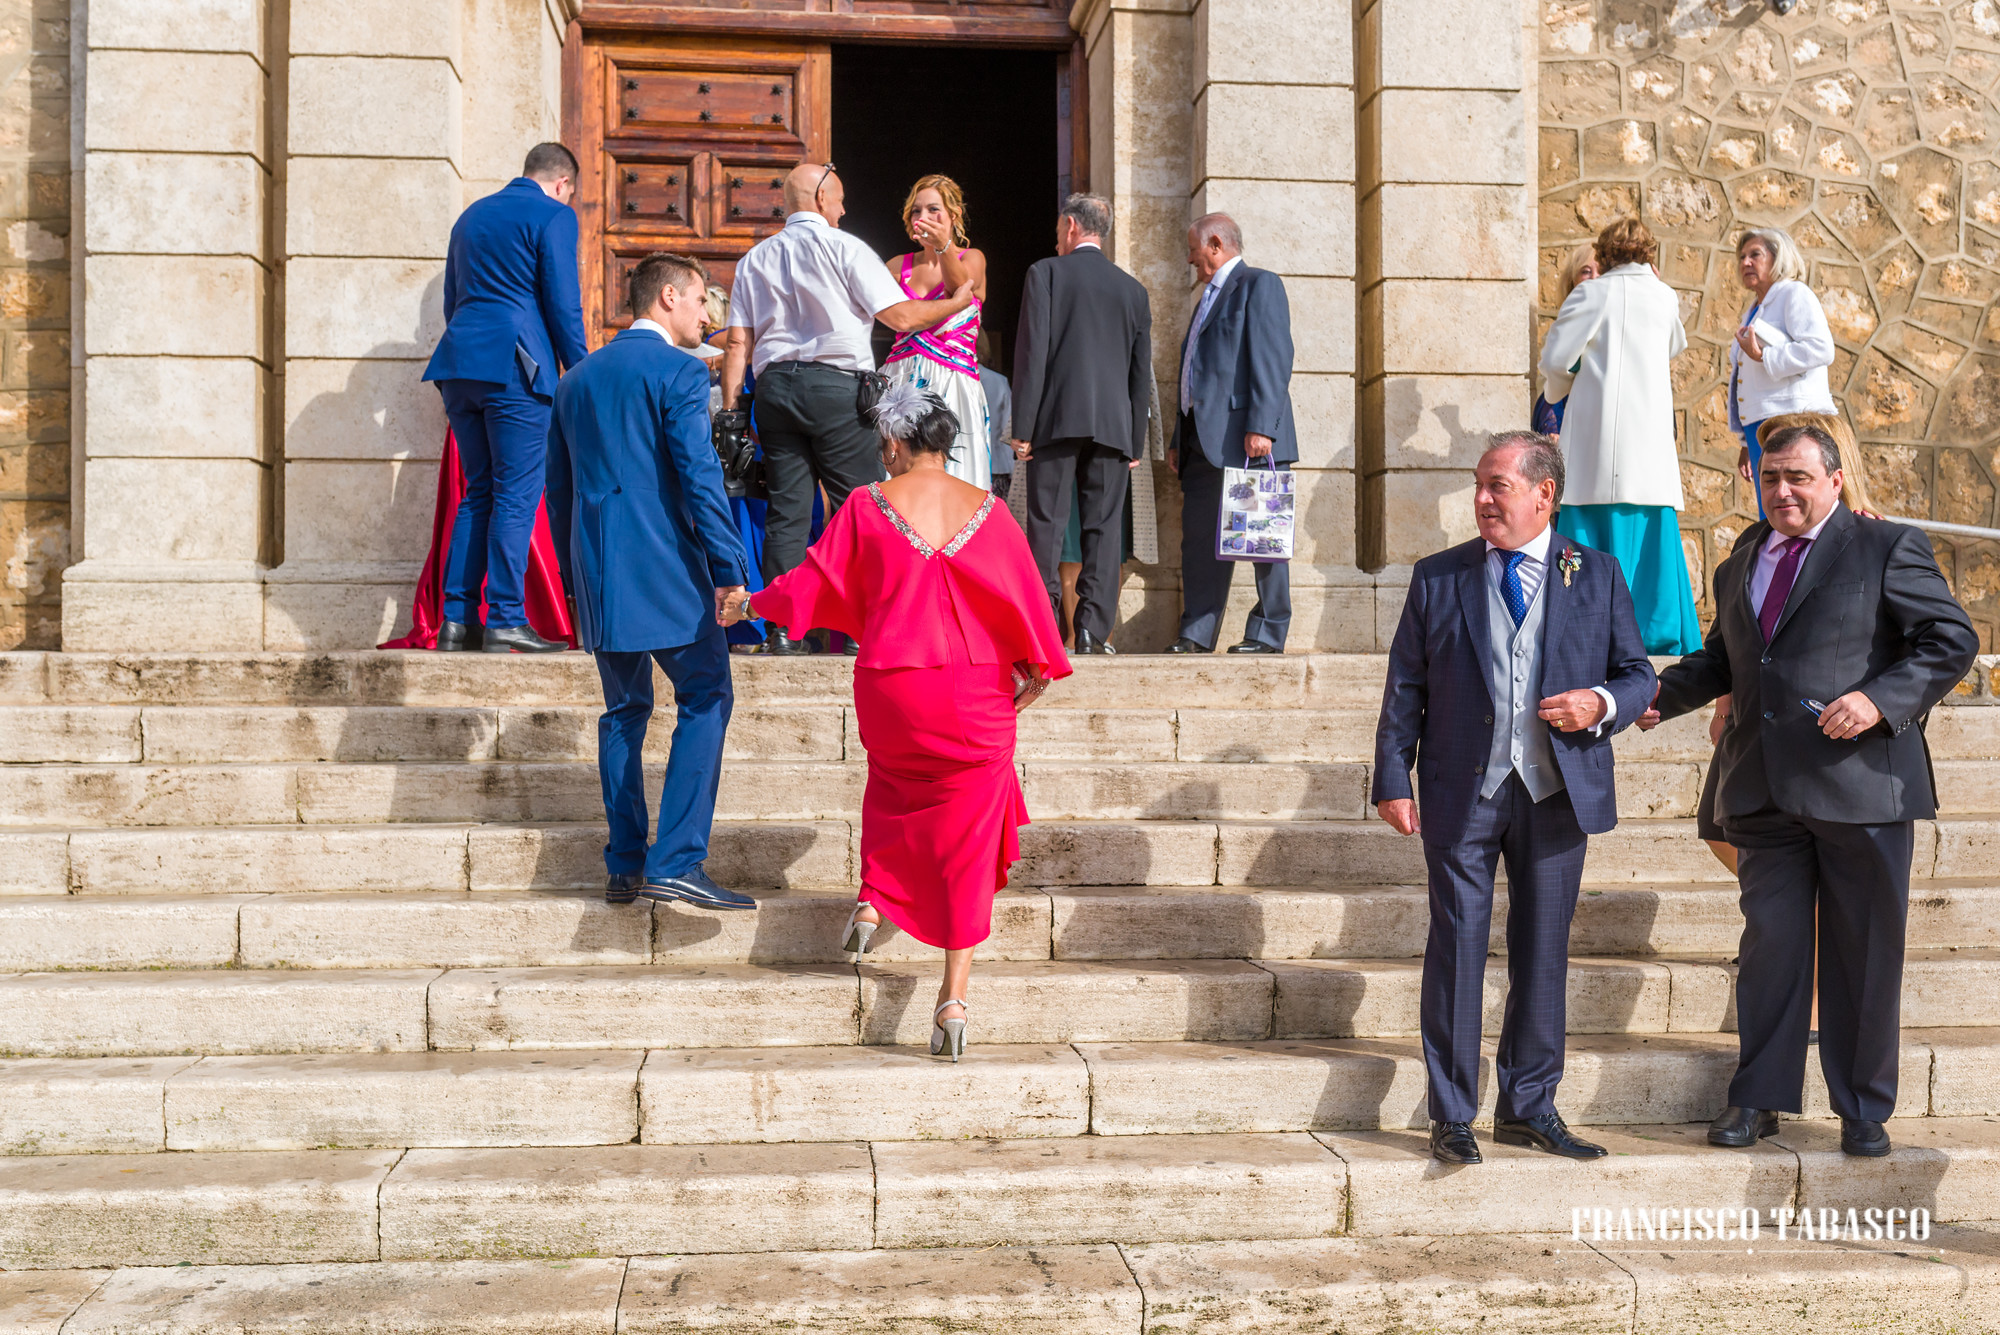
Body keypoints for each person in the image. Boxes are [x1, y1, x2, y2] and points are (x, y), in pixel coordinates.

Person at [1646, 421, 1975, 1158]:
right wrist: (1653, 698)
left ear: (1834, 479)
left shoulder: (1885, 545)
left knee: (1863, 952)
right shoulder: (1739, 562)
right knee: (1772, 945)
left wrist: (1880, 699)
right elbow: (1721, 660)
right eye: (1771, 478)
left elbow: (1950, 639)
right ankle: (1758, 1096)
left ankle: (1862, 1106)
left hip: (1862, 787)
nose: (1783, 490)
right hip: (1763, 786)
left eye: (1798, 476)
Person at [720, 380, 1070, 1059]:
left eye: (885, 446)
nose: (882, 457)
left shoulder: (867, 503)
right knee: (969, 839)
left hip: (892, 684)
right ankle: (953, 998)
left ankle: (873, 899)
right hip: (973, 694)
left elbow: (815, 582)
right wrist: (1040, 670)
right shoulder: (990, 511)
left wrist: (750, 604)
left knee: (891, 787)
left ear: (901, 445)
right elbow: (1030, 599)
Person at [1373, 431, 1655, 1166]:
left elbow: (1637, 674)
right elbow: (1405, 685)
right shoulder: (1439, 575)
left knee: (1542, 952)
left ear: (1544, 494)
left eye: (1497, 485)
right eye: (1478, 484)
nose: (1482, 499)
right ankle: (1453, 1113)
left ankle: (1529, 1106)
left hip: (1559, 791)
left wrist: (1599, 702)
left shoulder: (1594, 573)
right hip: (1463, 787)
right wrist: (1390, 777)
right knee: (1458, 945)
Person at [545, 253, 756, 913]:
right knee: (706, 695)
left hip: (599, 573)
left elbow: (557, 493)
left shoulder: (575, 379)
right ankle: (679, 860)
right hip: (666, 570)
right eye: (700, 301)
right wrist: (729, 571)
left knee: (625, 710)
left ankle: (625, 863)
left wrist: (575, 581)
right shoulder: (678, 372)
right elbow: (699, 477)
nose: (707, 317)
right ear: (668, 297)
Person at [722, 163, 975, 655]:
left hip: (775, 389)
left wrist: (732, 414)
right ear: (820, 200)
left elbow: (737, 343)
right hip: (838, 389)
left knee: (787, 513)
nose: (843, 209)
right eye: (837, 200)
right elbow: (900, 317)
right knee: (863, 507)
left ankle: (783, 630)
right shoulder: (846, 247)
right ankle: (870, 625)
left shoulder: (756, 258)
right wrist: (954, 303)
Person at [422, 142, 589, 654]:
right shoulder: (553, 216)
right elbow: (563, 303)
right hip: (516, 368)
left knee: (479, 494)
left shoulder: (470, 217)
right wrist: (581, 374)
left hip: (459, 365)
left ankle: (456, 620)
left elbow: (453, 300)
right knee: (516, 495)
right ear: (562, 184)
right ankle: (506, 619)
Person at [1538, 217, 1700, 656]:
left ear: (1604, 253)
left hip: (1598, 440)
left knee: (1587, 535)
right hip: (1649, 440)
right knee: (1651, 533)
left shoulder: (1592, 292)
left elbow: (1554, 360)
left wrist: (1570, 378)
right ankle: (1656, 635)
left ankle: (1589, 634)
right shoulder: (1665, 297)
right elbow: (1672, 346)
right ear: (1649, 253)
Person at [1010, 193, 1153, 655]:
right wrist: (1136, 442)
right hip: (1114, 426)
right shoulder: (1133, 290)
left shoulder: (1046, 273)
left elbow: (1032, 354)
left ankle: (1045, 626)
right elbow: (1139, 372)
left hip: (1055, 420)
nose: (1056, 236)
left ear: (1071, 226)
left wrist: (1023, 427)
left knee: (1046, 525)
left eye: (1058, 227)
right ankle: (1091, 631)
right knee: (1104, 529)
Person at [1165, 212, 1297, 656]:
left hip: (1247, 438)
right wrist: (1175, 439)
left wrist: (1263, 426)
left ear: (1216, 244)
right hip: (1201, 443)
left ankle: (1267, 633)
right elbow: (1193, 374)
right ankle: (1197, 634)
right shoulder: (1204, 299)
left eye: (1193, 249)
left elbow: (1273, 359)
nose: (1188, 258)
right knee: (1200, 543)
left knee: (1263, 539)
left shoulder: (1259, 285)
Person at [884, 175, 991, 488]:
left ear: (953, 216)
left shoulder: (972, 258)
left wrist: (943, 245)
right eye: (916, 211)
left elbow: (959, 290)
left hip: (953, 381)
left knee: (956, 474)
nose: (923, 218)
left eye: (934, 210)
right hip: (901, 378)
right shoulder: (895, 265)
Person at [1728, 228, 1837, 520]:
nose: (1746, 262)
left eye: (1755, 255)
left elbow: (1820, 349)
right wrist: (1743, 443)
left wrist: (1766, 356)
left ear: (1778, 259)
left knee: (1797, 509)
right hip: (1760, 426)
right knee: (1772, 511)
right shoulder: (1754, 309)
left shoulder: (1794, 293)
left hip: (1791, 421)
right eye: (1742, 257)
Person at [1532, 243, 1598, 439]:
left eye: (1601, 271)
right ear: (1573, 282)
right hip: (1570, 427)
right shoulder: (1560, 331)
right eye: (1586, 271)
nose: (1594, 278)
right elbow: (1548, 384)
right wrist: (1553, 428)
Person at [978, 332, 1013, 503]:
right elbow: (1009, 426)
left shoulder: (945, 379)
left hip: (961, 469)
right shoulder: (998, 382)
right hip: (997, 466)